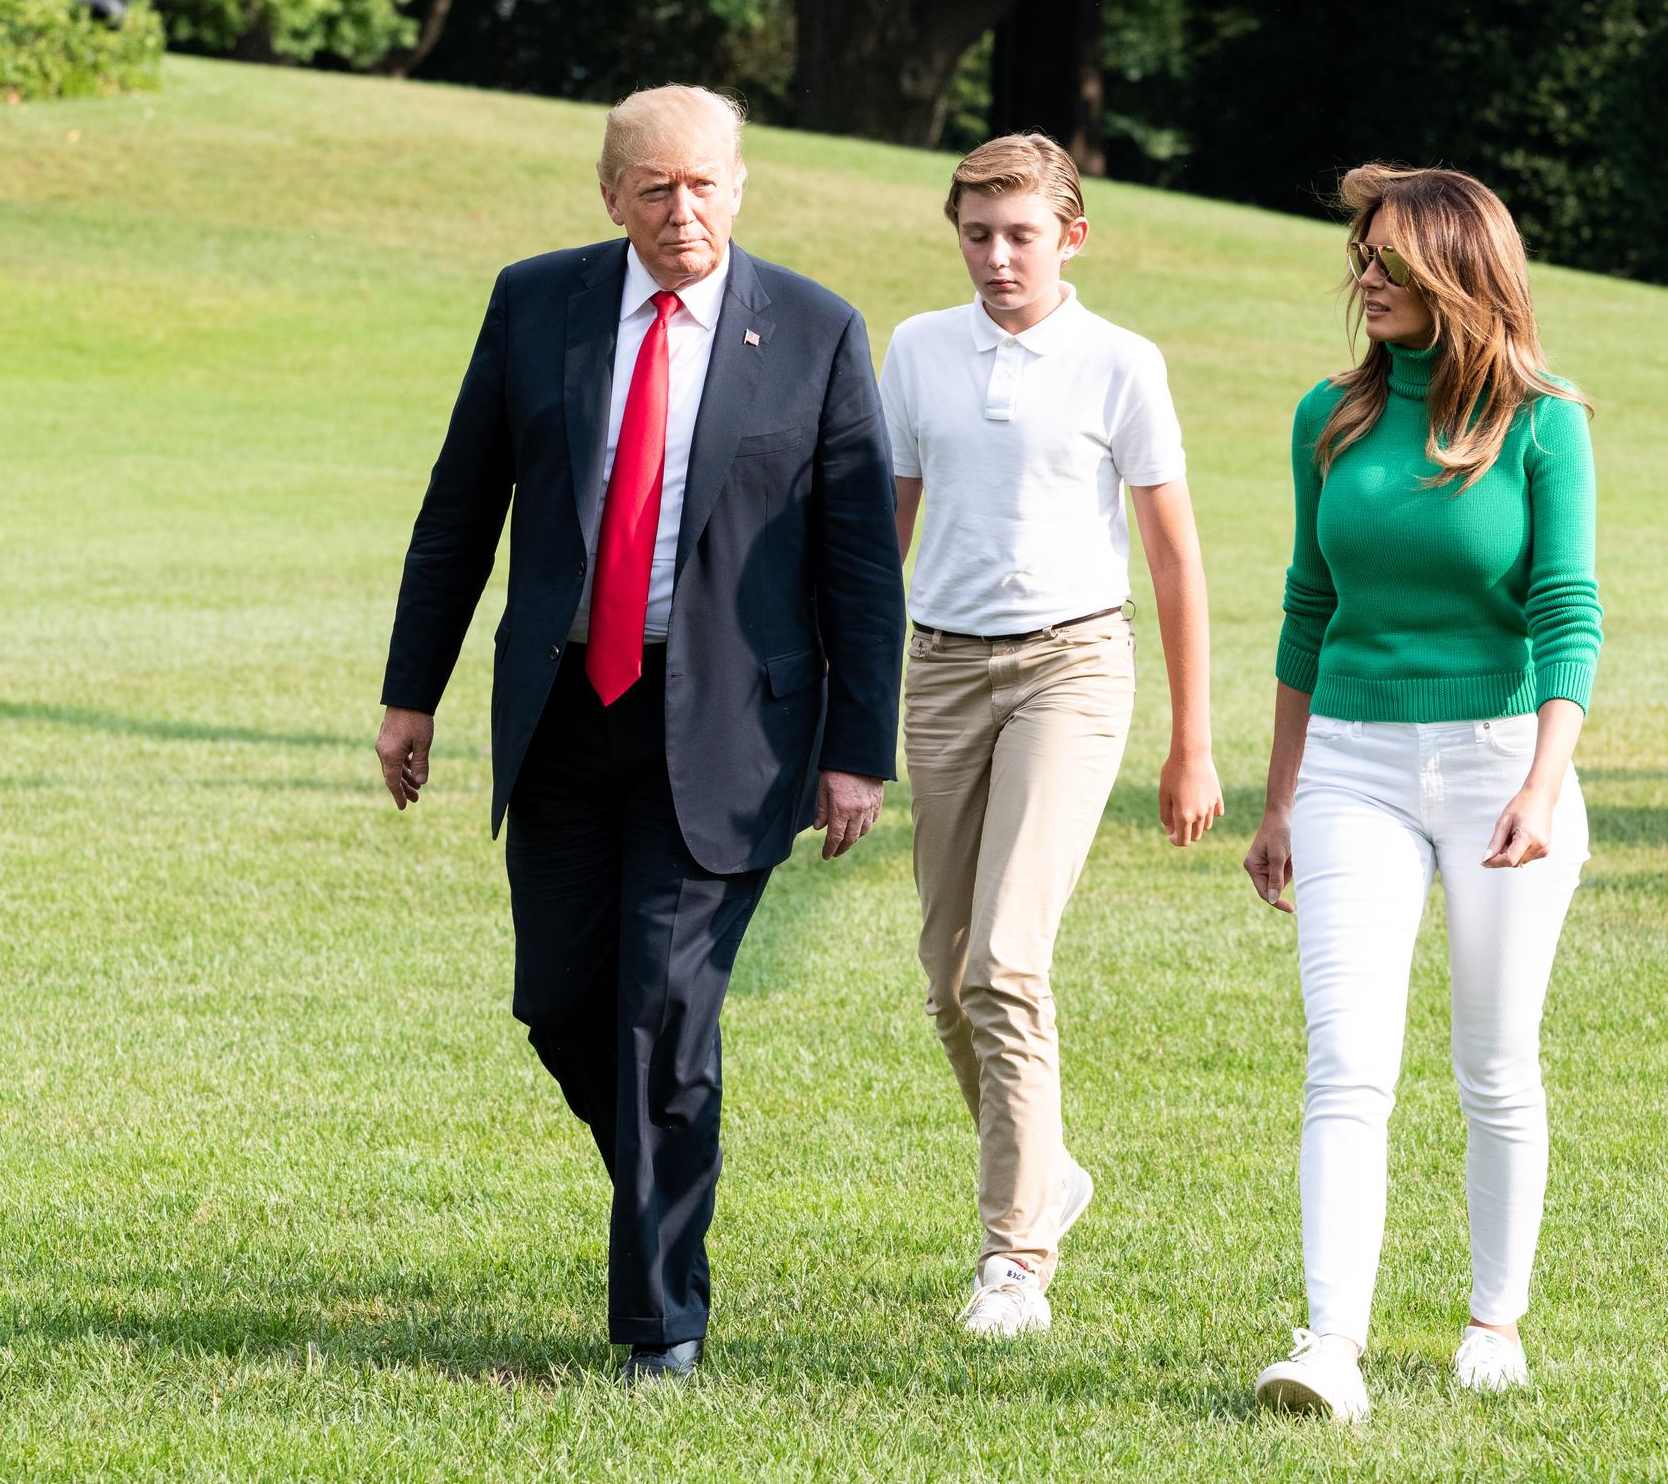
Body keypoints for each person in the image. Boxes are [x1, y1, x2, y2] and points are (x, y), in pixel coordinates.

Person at [373, 84, 904, 1385]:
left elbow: (859, 565)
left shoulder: (820, 330)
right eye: (656, 189)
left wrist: (857, 749)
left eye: (706, 184)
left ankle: (661, 1325)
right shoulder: (535, 303)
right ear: (610, 194)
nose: (685, 214)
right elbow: (460, 511)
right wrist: (411, 691)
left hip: (728, 729)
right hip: (564, 711)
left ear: (742, 184)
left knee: (664, 1016)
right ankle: (673, 1177)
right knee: (563, 1001)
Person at [1243, 163, 1601, 1421]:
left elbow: (1568, 612)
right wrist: (1279, 799)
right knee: (1346, 1062)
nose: (1365, 276)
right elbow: (1307, 606)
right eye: (1362, 255)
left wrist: (1546, 784)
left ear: (1461, 270)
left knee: (1495, 1065)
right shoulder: (1326, 420)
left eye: (1390, 259)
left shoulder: (1545, 422)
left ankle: (1493, 1318)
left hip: (1508, 766)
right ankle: (1329, 1342)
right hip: (1351, 768)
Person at [880, 133, 1225, 1338]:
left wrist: (1194, 742)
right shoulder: (917, 350)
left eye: (1021, 233)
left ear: (1070, 236)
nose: (997, 256)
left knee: (1005, 962)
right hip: (940, 671)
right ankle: (1049, 1171)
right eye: (977, 233)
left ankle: (1015, 1261)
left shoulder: (1122, 363)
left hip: (1073, 669)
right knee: (945, 977)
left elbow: (1176, 557)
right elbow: (886, 539)